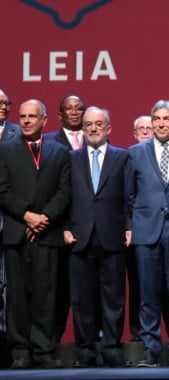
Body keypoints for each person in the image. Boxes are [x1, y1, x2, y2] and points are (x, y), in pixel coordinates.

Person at [0, 99, 70, 369]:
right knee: (17, 297)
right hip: (18, 232)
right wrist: (27, 216)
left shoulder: (59, 151)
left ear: (45, 120)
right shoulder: (5, 150)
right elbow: (2, 190)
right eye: (22, 116)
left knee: (46, 295)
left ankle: (43, 350)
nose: (26, 121)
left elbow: (64, 192)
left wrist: (45, 218)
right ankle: (20, 350)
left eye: (32, 116)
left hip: (47, 233)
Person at [125, 100, 169, 368]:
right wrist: (134, 223)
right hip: (146, 230)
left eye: (166, 119)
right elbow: (128, 194)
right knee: (148, 295)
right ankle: (150, 349)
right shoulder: (135, 153)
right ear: (151, 123)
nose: (161, 124)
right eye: (156, 119)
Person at [65, 106, 131, 368]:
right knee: (82, 299)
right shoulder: (71, 158)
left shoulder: (122, 157)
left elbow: (130, 196)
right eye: (88, 124)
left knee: (114, 297)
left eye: (98, 124)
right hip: (79, 237)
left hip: (112, 235)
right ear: (83, 129)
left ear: (108, 129)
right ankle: (85, 350)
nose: (92, 128)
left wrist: (129, 226)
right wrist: (66, 227)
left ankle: (112, 348)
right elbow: (65, 197)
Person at [44, 94, 86, 343]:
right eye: (68, 109)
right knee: (57, 292)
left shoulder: (96, 137)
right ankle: (49, 344)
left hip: (89, 227)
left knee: (87, 292)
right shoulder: (49, 142)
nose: (74, 112)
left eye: (78, 108)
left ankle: (89, 347)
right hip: (59, 228)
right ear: (59, 115)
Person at [125, 114, 153, 343]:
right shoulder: (128, 157)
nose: (145, 132)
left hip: (164, 227)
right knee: (138, 283)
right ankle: (137, 331)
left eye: (149, 128)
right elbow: (126, 195)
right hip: (135, 229)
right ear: (134, 134)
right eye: (140, 129)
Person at [0, 89, 20, 366]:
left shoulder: (18, 133)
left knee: (8, 283)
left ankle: (7, 340)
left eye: (6, 102)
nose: (4, 106)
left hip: (11, 217)